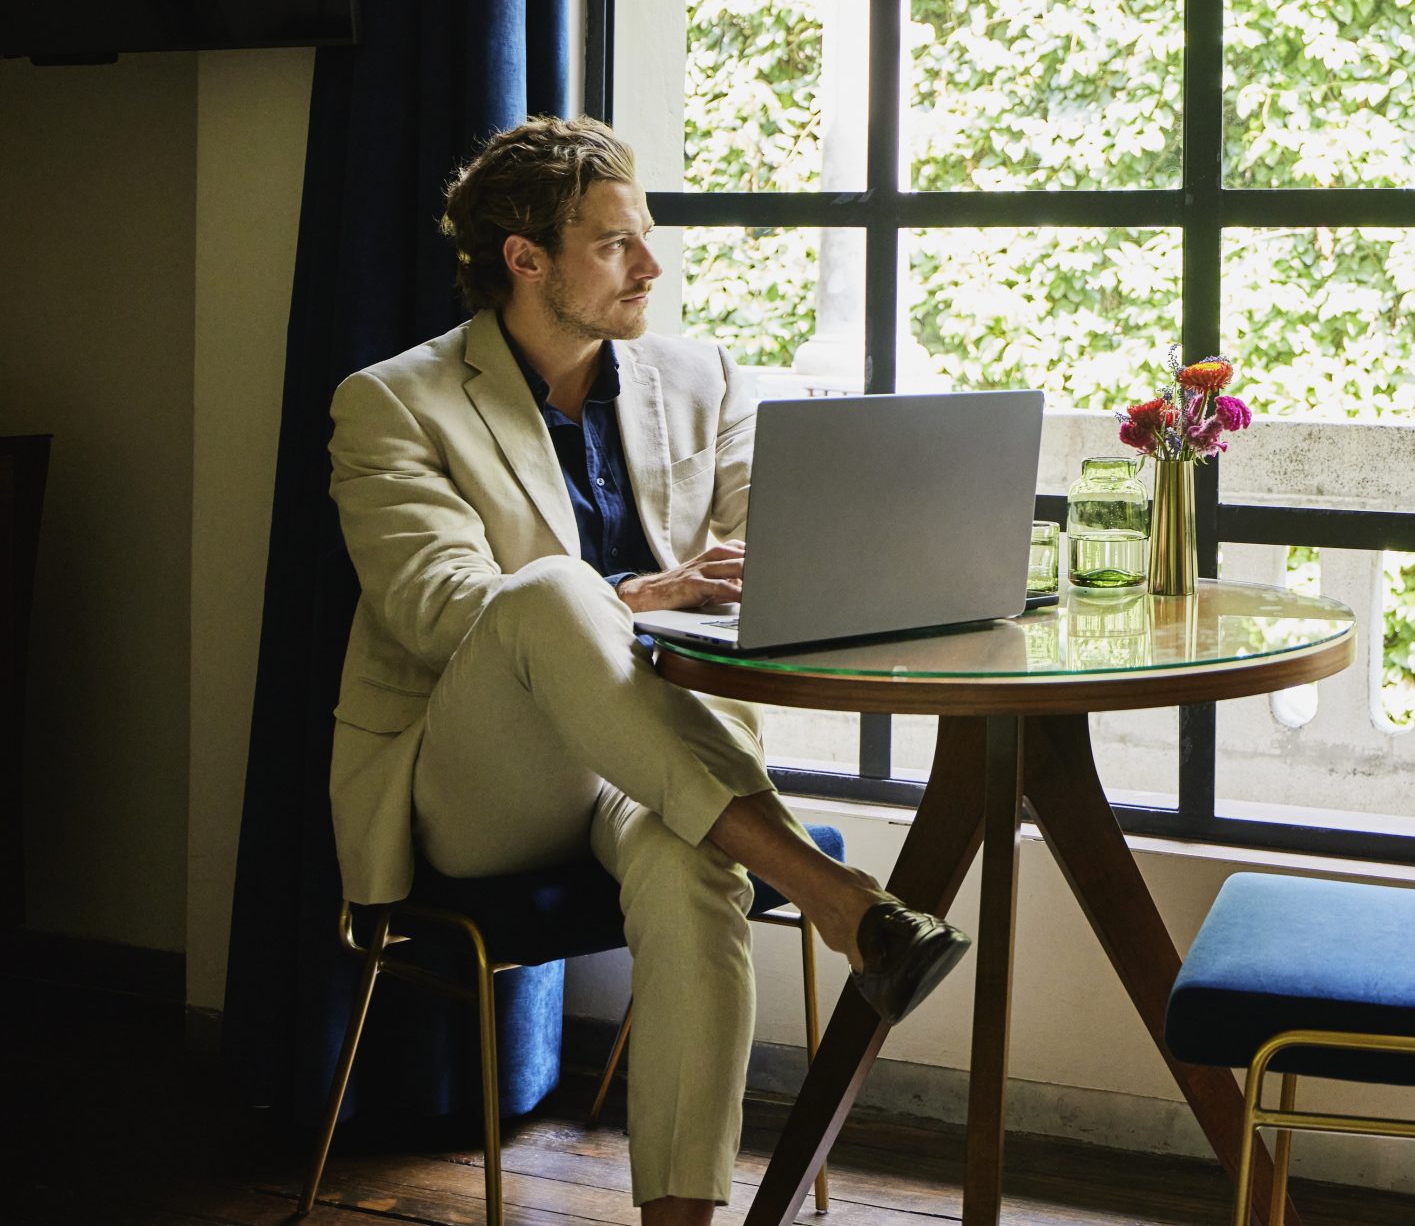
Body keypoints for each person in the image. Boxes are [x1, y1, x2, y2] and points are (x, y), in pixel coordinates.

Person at [323, 115, 966, 1225]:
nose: (652, 268)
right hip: (482, 783)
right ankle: (841, 900)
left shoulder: (698, 375)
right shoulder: (393, 401)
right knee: (552, 588)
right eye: (619, 244)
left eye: (648, 238)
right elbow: (439, 614)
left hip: (649, 767)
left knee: (693, 868)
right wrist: (639, 592)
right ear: (525, 259)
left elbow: (785, 552)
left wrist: (885, 554)